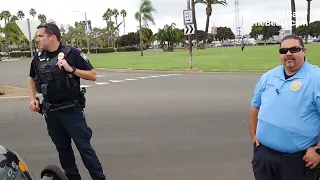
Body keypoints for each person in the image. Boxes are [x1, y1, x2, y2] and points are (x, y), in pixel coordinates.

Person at [27, 23, 106, 180]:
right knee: (64, 153)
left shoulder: (72, 54)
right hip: (51, 113)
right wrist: (32, 98)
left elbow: (93, 75)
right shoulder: (38, 58)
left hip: (72, 111)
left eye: (40, 36)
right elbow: (31, 77)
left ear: (53, 37)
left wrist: (72, 69)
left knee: (85, 150)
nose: (37, 39)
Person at [249, 34, 320, 180]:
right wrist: (254, 135)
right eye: (284, 51)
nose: (288, 54)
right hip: (264, 157)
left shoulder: (316, 78)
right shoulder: (268, 77)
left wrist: (318, 150)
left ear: (304, 51)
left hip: (298, 160)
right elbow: (255, 106)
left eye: (294, 49)